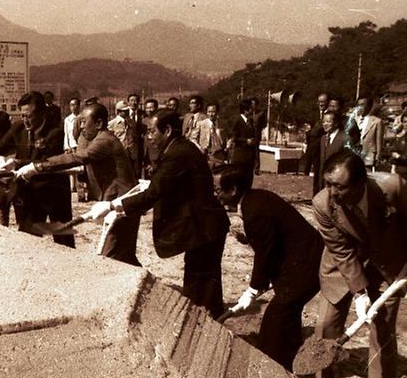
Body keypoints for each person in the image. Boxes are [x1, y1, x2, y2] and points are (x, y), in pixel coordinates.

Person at [92, 109, 229, 318]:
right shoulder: (179, 148)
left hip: (204, 227)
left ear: (166, 130)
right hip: (204, 226)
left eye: (151, 131)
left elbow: (154, 193)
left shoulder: (177, 154)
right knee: (204, 283)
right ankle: (210, 321)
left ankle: (204, 329)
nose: (148, 137)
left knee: (199, 286)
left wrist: (112, 206)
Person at [312, 149, 407, 378]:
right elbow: (341, 251)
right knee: (326, 327)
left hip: (385, 264)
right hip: (340, 267)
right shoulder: (322, 204)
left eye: (338, 186)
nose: (332, 192)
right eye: (328, 183)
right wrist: (360, 292)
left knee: (382, 330)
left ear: (361, 183)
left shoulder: (392, 187)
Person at [216, 165, 323, 370]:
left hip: (306, 266)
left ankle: (273, 369)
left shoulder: (254, 210)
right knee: (287, 316)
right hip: (301, 261)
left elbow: (265, 254)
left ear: (233, 190)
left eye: (218, 190)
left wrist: (253, 289)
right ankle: (290, 359)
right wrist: (249, 239)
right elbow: (272, 238)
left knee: (275, 320)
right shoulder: (254, 199)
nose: (216, 194)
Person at [17, 103, 140, 265]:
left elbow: (76, 158)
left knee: (109, 257)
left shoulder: (104, 140)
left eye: (83, 122)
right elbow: (80, 167)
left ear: (99, 124)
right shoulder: (99, 139)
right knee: (125, 255)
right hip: (121, 204)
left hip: (120, 206)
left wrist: (37, 167)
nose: (80, 127)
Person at [0, 91, 74, 248]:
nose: (25, 120)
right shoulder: (18, 127)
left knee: (63, 240)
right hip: (30, 194)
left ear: (41, 113)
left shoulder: (55, 133)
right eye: (23, 116)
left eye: (29, 116)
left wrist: (16, 163)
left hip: (54, 193)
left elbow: (45, 162)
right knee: (27, 239)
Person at [314, 111, 348, 196]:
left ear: (336, 123)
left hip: (337, 182)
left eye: (328, 122)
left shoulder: (344, 138)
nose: (325, 124)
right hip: (324, 182)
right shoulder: (323, 138)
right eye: (323, 122)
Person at [229, 99, 257, 179]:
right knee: (240, 177)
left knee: (248, 178)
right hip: (240, 155)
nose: (252, 110)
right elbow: (234, 137)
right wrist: (245, 141)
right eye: (251, 108)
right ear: (245, 110)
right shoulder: (237, 121)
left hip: (250, 155)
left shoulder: (251, 121)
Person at [354, 97, 384, 172]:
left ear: (369, 106)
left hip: (368, 157)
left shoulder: (377, 121)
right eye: (359, 105)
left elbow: (379, 142)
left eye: (363, 105)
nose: (360, 107)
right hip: (354, 156)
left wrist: (378, 157)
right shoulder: (354, 120)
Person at [302, 93, 328, 176]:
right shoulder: (313, 114)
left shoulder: (329, 115)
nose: (321, 104)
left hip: (322, 144)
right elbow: (307, 127)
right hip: (311, 143)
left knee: (318, 167)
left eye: (323, 102)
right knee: (307, 163)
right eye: (319, 102)